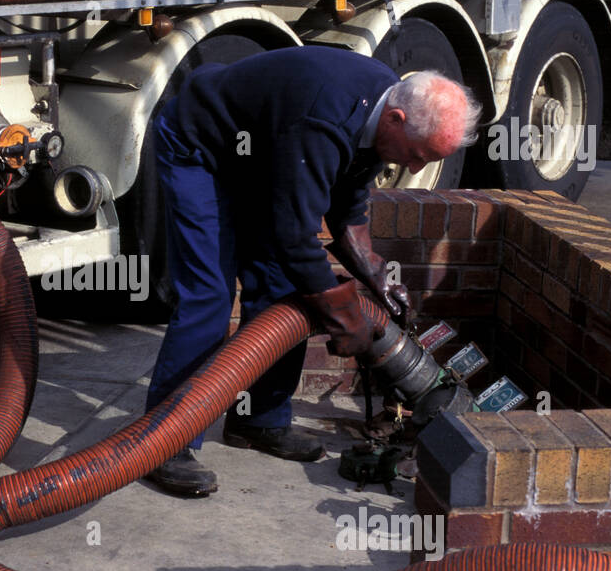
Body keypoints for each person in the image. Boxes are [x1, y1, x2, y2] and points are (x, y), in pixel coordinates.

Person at [142, 45, 481, 496]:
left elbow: (348, 201)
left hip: (265, 155)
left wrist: (374, 271)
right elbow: (295, 238)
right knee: (209, 293)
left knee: (280, 286)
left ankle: (259, 420)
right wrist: (342, 315)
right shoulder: (324, 119)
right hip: (202, 148)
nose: (414, 167)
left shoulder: (383, 110)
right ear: (395, 119)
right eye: (417, 154)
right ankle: (163, 442)